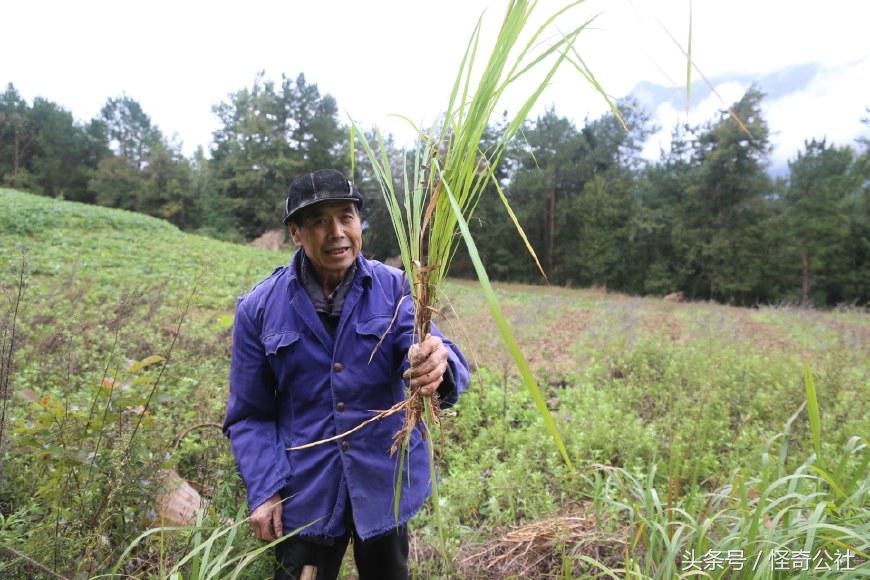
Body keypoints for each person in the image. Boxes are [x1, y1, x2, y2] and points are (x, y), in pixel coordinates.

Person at [223, 169, 470, 580]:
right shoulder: (259, 308)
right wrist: (265, 489)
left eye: (346, 217)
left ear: (360, 223)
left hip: (383, 480)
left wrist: (438, 364)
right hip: (307, 491)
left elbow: (443, 358)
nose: (336, 232)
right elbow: (249, 415)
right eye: (319, 221)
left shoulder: (396, 289)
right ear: (296, 233)